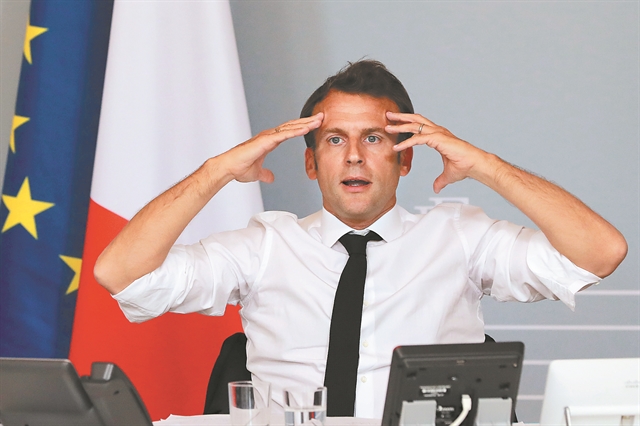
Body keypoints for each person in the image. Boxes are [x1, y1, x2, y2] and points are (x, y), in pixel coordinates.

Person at [94, 60, 627, 419]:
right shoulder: (263, 246)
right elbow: (120, 274)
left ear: (405, 159)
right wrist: (216, 171)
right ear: (311, 163)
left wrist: (485, 165)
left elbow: (600, 253)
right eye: (333, 140)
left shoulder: (461, 236)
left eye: (373, 138)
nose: (353, 156)